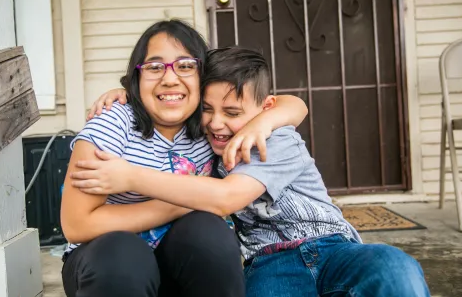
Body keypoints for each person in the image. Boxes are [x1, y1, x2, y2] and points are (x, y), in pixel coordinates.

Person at [73, 46, 431, 297]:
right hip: (268, 263)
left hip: (333, 246)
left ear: (264, 108)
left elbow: (227, 197)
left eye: (232, 112)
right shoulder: (203, 152)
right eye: (207, 110)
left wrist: (130, 176)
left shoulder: (275, 138)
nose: (216, 123)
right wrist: (128, 91)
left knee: (393, 267)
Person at [61, 20, 309, 297]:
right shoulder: (112, 124)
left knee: (209, 233)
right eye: (155, 67)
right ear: (137, 78)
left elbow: (293, 105)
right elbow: (76, 225)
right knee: (125, 253)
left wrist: (262, 123)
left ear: (204, 79)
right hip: (107, 269)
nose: (169, 78)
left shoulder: (210, 126)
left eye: (185, 66)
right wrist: (182, 205)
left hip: (177, 262)